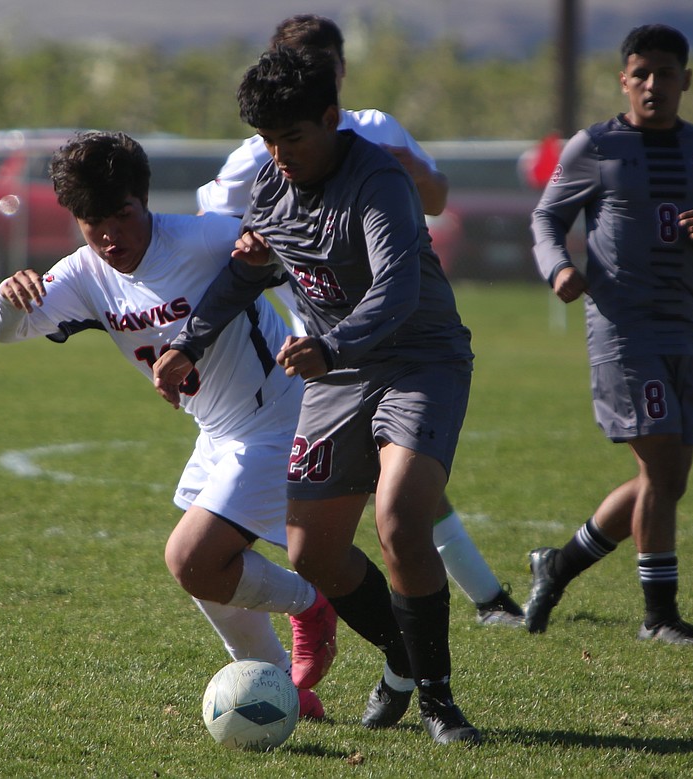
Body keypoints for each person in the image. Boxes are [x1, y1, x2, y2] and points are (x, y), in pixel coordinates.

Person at [155, 47, 482, 744]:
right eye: (268, 141)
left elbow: (399, 287)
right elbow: (249, 273)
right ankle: (401, 653)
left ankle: (439, 700)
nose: (281, 154)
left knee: (399, 519)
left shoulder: (379, 181)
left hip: (419, 360)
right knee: (312, 554)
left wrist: (330, 345)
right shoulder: (272, 187)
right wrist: (189, 342)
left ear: (332, 118)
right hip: (335, 374)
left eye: (294, 138)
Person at [0, 131, 338, 718]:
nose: (109, 237)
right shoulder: (82, 274)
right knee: (208, 574)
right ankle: (282, 691)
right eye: (92, 223)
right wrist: (6, 296)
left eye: (121, 216)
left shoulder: (203, 238)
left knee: (191, 559)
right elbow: (2, 331)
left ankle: (310, 605)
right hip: (218, 433)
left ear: (143, 201)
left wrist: (271, 258)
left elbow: (297, 257)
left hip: (280, 416)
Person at [197, 13, 524, 629]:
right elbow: (220, 234)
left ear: (340, 73)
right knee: (335, 529)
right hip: (318, 360)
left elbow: (434, 199)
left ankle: (464, 626)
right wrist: (242, 253)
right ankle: (428, 627)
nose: (279, 150)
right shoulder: (260, 158)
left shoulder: (374, 134)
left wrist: (405, 170)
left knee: (403, 501)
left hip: (390, 338)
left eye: (331, 63)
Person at [523, 24, 693, 645]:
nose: (653, 85)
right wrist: (558, 266)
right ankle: (658, 616)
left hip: (681, 328)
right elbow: (545, 218)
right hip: (621, 329)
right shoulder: (595, 146)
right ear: (624, 80)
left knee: (664, 481)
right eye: (640, 74)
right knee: (662, 469)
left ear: (685, 80)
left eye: (665, 74)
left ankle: (557, 565)